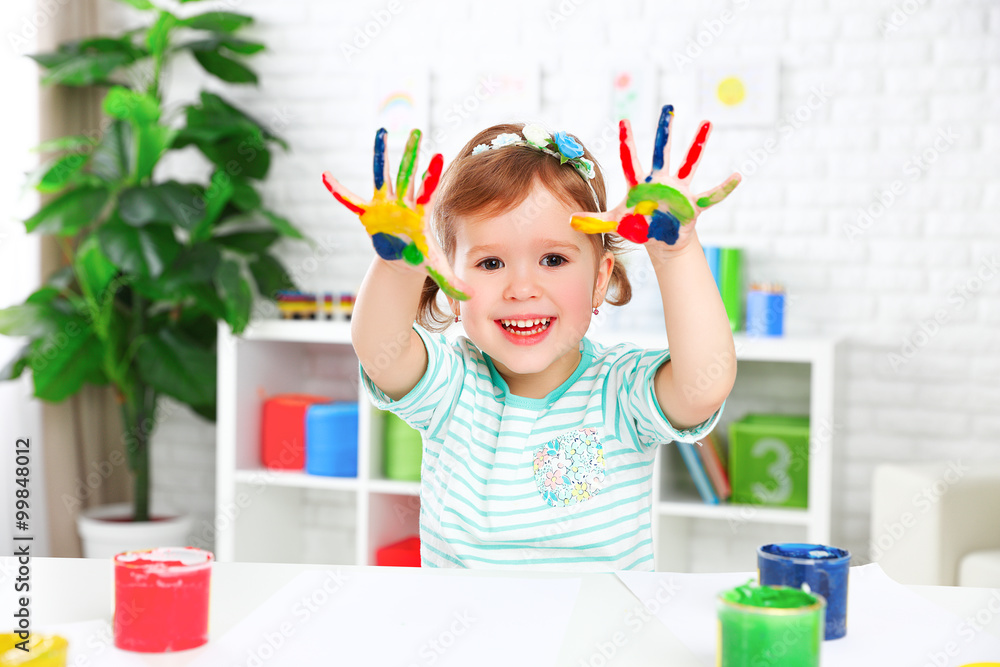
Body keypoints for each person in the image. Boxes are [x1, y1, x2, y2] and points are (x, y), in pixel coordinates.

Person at [324, 105, 740, 570]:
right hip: (466, 634)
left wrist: (675, 252)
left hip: (598, 636)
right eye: (491, 263)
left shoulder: (620, 389)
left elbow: (705, 384)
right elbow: (380, 351)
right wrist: (397, 262)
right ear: (448, 283)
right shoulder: (453, 385)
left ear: (600, 279)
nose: (522, 289)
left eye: (554, 260)